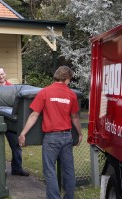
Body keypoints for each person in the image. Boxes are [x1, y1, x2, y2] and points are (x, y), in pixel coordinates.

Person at [18, 66, 83, 199]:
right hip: (67, 136)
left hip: (52, 138)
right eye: (69, 79)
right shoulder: (71, 94)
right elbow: (75, 117)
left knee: (50, 171)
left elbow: (34, 115)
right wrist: (80, 133)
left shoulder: (45, 92)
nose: (69, 82)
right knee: (69, 170)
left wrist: (23, 133)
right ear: (66, 79)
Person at [0, 66, 30, 176]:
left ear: (5, 74)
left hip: (10, 121)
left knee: (16, 145)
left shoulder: (13, 88)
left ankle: (17, 168)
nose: (0, 77)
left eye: (2, 74)